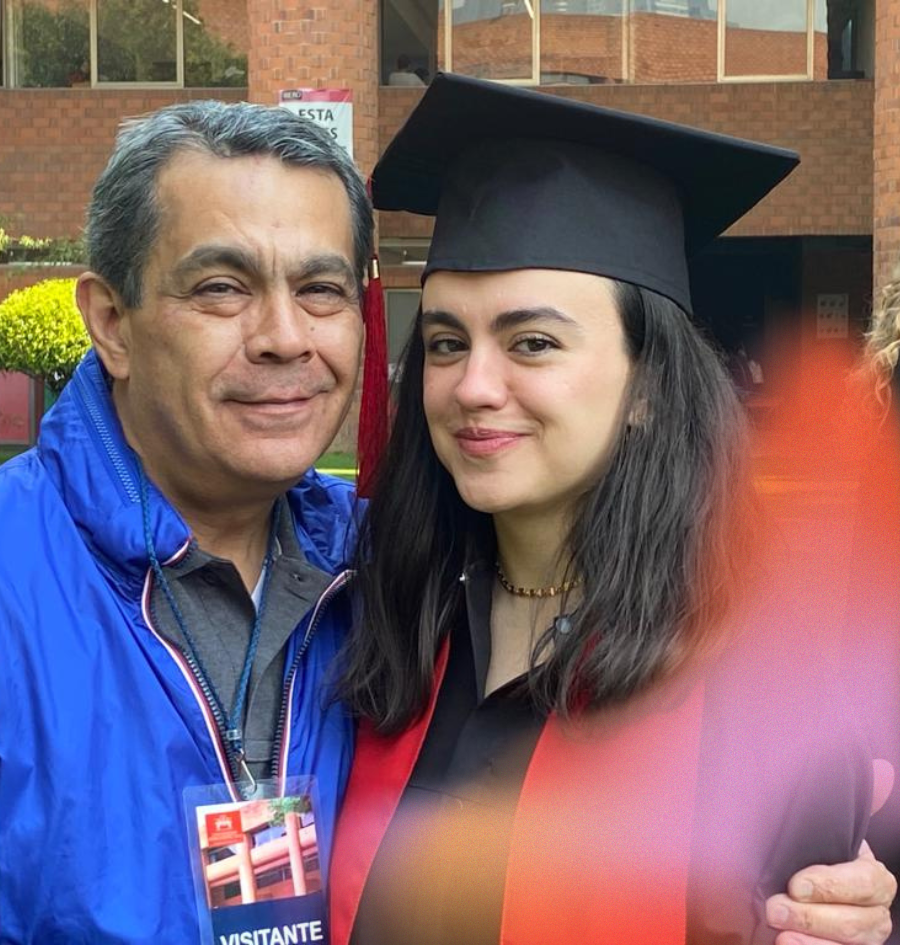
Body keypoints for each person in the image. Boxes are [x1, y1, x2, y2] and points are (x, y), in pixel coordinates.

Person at [0, 99, 892, 943]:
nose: (285, 337)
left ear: (649, 380)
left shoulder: (361, 570)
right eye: (223, 287)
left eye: (322, 291)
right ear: (111, 321)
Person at [330, 74, 896, 945]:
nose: (473, 386)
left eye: (533, 342)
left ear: (650, 387)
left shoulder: (766, 692)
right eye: (446, 342)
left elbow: (827, 910)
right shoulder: (376, 621)